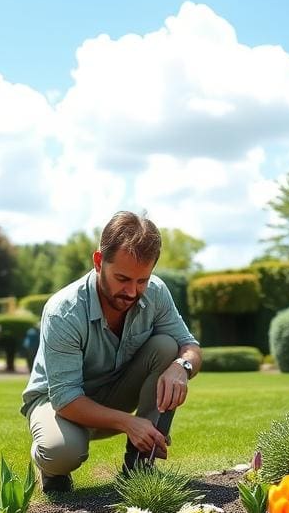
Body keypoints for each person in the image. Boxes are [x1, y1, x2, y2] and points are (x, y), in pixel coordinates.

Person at [21, 211, 201, 492]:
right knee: (60, 453)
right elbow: (66, 398)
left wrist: (183, 366)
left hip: (115, 391)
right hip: (59, 403)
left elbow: (190, 347)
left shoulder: (156, 292)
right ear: (98, 261)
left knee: (168, 347)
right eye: (122, 278)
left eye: (142, 280)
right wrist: (130, 422)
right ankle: (51, 470)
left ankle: (140, 463)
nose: (132, 291)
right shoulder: (64, 312)